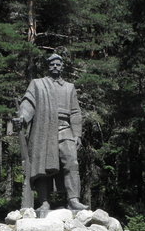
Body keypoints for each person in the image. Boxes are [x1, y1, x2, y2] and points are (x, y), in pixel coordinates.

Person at [13, 54, 89, 213]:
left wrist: (77, 134)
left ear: (62, 66)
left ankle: (73, 200)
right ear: (48, 66)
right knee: (42, 167)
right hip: (44, 128)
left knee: (71, 162)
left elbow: (75, 112)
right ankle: (45, 203)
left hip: (64, 128)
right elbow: (28, 104)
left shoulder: (69, 87)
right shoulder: (38, 84)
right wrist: (23, 118)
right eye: (52, 64)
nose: (55, 67)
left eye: (58, 64)